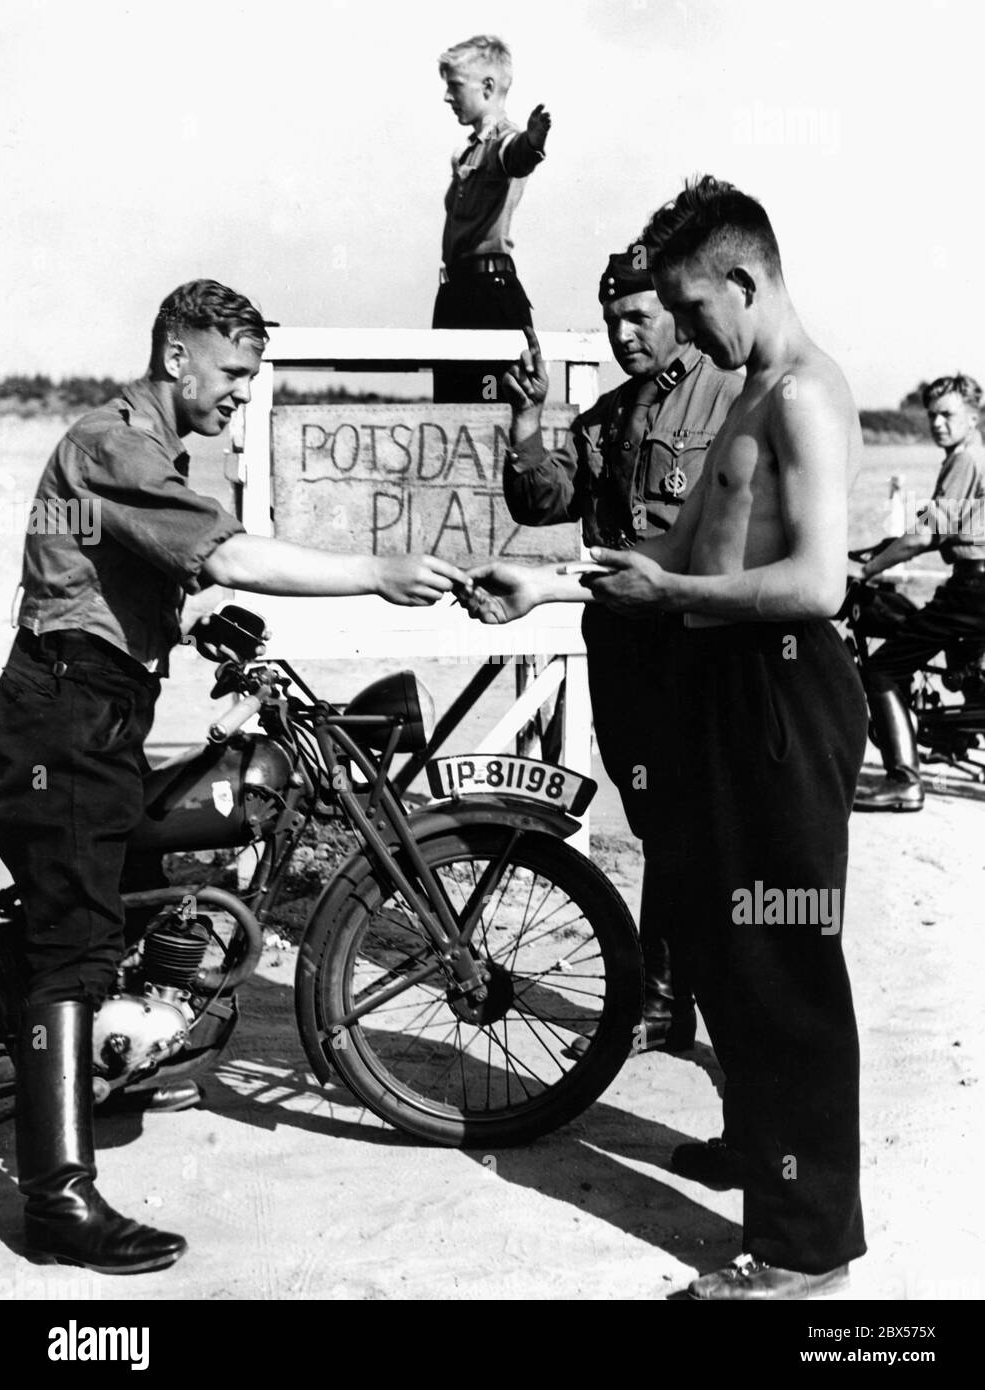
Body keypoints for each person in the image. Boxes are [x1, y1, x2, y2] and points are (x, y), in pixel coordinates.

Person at [0, 279, 466, 1276]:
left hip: (97, 710)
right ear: (178, 356)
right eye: (233, 373)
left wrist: (189, 616)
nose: (238, 393)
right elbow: (235, 552)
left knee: (110, 902)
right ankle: (56, 1198)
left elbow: (132, 570)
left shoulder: (146, 451)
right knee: (72, 944)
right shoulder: (110, 444)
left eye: (252, 377)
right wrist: (377, 571)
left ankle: (106, 1048)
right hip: (66, 716)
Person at [461, 176, 869, 1300]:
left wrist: (681, 592)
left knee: (782, 965)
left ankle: (802, 1250)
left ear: (746, 280)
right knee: (719, 941)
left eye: (692, 310)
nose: (683, 333)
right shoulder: (746, 390)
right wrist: (541, 587)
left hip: (783, 691)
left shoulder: (801, 397)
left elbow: (817, 583)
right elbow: (656, 568)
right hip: (726, 686)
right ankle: (760, 1148)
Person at [500, 248, 741, 1053]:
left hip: (699, 645)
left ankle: (671, 1001)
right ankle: (670, 1002)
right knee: (657, 823)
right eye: (611, 319)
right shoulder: (606, 416)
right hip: (624, 650)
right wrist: (528, 422)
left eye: (638, 316)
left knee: (700, 827)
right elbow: (542, 502)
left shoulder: (733, 398)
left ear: (677, 311)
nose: (622, 333)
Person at [852, 373, 985, 811]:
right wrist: (875, 549)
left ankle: (904, 781)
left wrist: (868, 571)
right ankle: (951, 739)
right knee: (962, 662)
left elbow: (926, 536)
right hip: (973, 584)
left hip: (973, 588)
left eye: (948, 415)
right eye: (932, 416)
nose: (938, 424)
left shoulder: (966, 460)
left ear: (973, 416)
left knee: (883, 670)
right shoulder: (970, 457)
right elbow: (934, 529)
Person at [432, 34, 551, 403]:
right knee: (453, 414)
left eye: (454, 86)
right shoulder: (468, 150)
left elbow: (514, 156)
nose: (447, 97)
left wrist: (532, 142)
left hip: (487, 298)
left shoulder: (504, 140)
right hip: (456, 296)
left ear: (487, 87)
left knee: (492, 413)